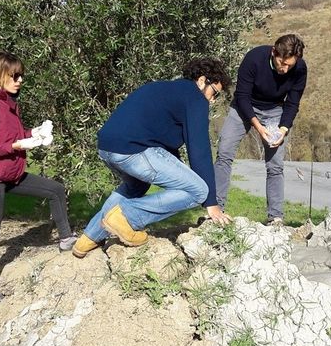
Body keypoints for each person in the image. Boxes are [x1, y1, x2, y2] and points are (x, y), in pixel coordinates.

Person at [71, 57, 233, 259]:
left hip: (107, 147)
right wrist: (212, 203)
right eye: (214, 93)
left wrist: (179, 176)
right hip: (133, 150)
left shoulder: (167, 90)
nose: (212, 100)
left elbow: (165, 151)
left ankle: (87, 239)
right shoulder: (194, 97)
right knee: (198, 190)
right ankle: (126, 217)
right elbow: (199, 150)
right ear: (202, 81)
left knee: (135, 187)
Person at [0, 51, 76, 306]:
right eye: (14, 76)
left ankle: (66, 239)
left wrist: (34, 133)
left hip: (11, 174)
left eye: (21, 76)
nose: (19, 81)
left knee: (55, 190)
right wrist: (17, 145)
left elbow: (11, 134)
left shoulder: (7, 102)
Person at [214, 34, 307, 224]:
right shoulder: (254, 59)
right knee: (224, 153)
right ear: (274, 52)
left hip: (275, 111)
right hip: (243, 107)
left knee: (275, 166)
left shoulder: (300, 68)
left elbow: (293, 103)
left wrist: (283, 129)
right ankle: (215, 210)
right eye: (282, 63)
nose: (285, 69)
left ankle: (276, 217)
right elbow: (242, 96)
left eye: (290, 65)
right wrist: (258, 127)